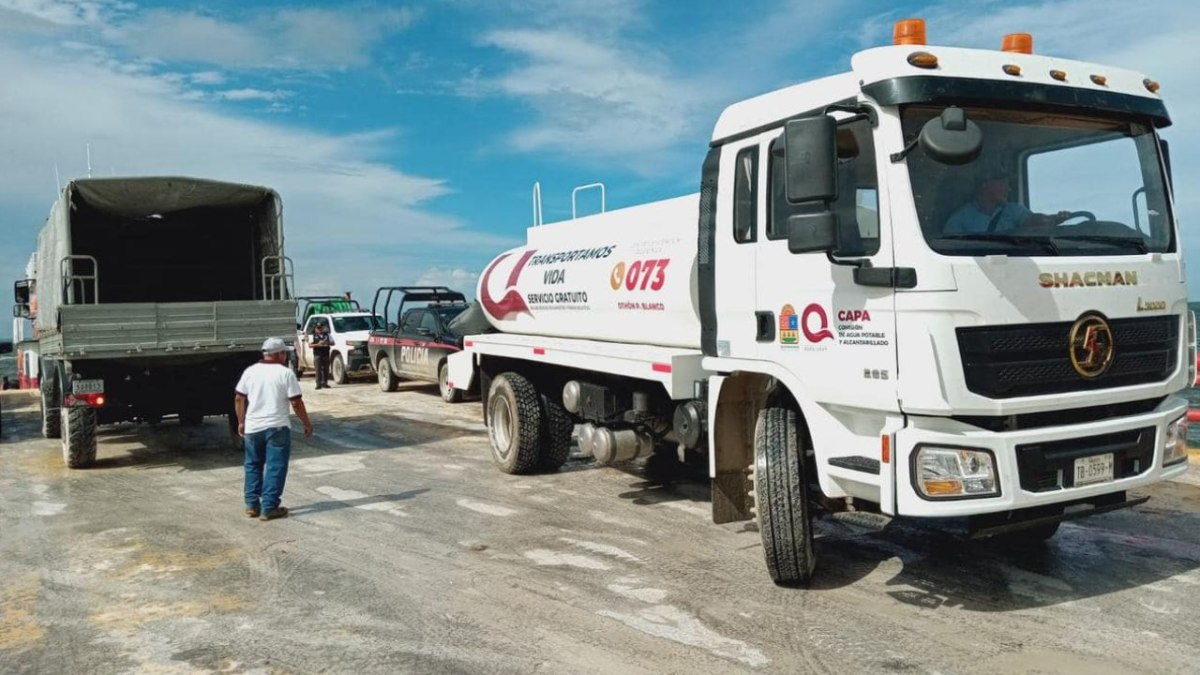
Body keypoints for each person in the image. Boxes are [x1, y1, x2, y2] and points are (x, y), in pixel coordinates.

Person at [234, 337, 313, 521]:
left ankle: (252, 505)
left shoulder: (250, 372)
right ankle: (269, 507)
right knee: (275, 466)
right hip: (277, 427)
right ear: (278, 354)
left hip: (253, 427)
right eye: (284, 353)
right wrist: (306, 423)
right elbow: (296, 401)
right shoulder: (285, 374)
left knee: (253, 464)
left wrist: (241, 421)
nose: (285, 356)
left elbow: (239, 398)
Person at [944, 170, 1071, 234]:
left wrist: (1053, 219)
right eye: (1003, 183)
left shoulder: (1012, 209)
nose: (1009, 189)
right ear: (985, 184)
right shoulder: (959, 220)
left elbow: (1031, 220)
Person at [311, 321, 334, 389]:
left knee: (326, 370)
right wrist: (318, 344)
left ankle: (325, 383)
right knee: (318, 370)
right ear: (316, 328)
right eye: (318, 328)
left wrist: (327, 343)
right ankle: (318, 384)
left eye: (321, 328)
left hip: (326, 354)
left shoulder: (327, 335)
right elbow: (310, 345)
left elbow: (333, 343)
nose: (320, 329)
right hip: (317, 354)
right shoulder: (313, 336)